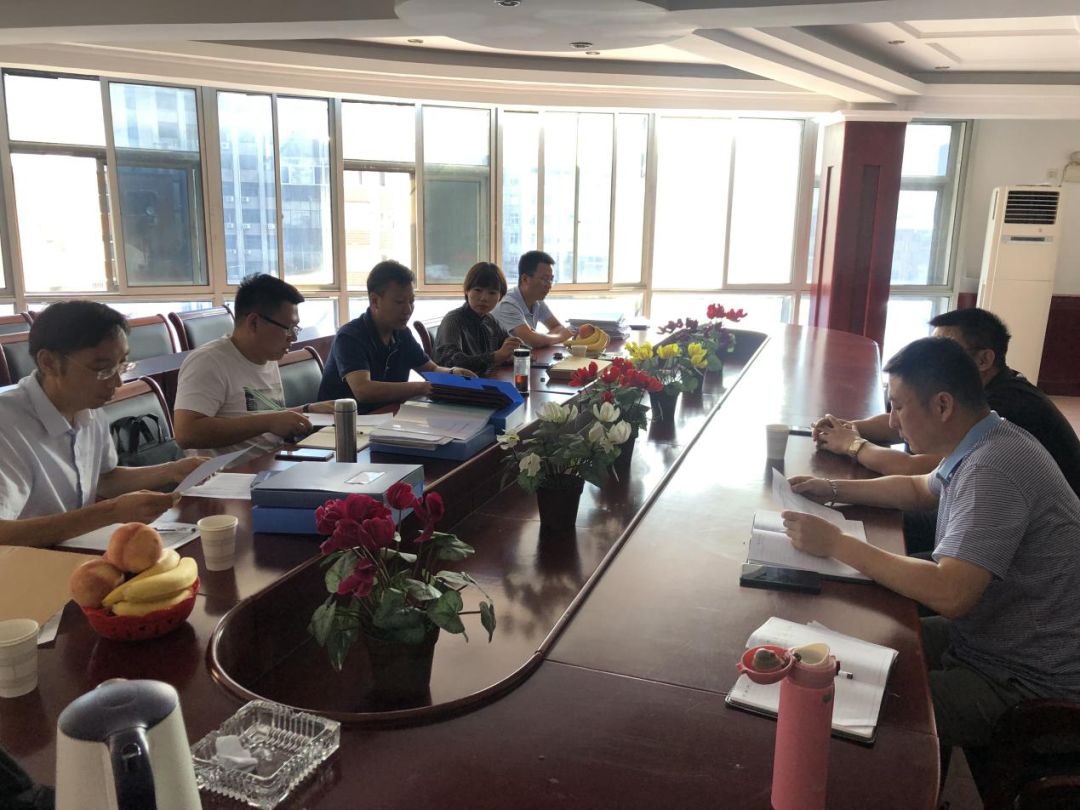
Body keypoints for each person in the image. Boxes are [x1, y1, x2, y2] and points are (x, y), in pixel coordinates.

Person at [784, 337, 1080, 759]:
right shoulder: (988, 437)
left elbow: (951, 594)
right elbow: (918, 489)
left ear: (942, 405)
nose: (892, 421)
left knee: (846, 696)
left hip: (1027, 680)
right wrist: (831, 489)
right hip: (988, 637)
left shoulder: (993, 468)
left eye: (899, 406)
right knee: (859, 643)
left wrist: (836, 543)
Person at [813, 307, 1080, 552]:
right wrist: (848, 432)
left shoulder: (1005, 417)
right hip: (984, 523)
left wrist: (853, 445)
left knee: (878, 538)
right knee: (871, 525)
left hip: (1021, 556)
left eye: (947, 349)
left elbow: (912, 468)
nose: (934, 358)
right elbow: (919, 484)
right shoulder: (979, 413)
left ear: (984, 359)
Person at [0, 301, 203, 548]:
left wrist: (172, 470)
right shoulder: (7, 424)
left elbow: (104, 478)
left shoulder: (87, 407)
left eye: (121, 365)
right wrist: (110, 512)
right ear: (49, 363)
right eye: (102, 369)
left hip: (77, 551)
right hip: (24, 564)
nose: (117, 382)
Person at [174, 274, 327, 457]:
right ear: (254, 323)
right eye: (287, 328)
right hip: (230, 472)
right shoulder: (208, 362)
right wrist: (269, 422)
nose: (293, 337)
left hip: (272, 462)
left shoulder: (267, 356)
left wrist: (306, 410)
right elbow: (186, 433)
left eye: (295, 328)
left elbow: (259, 415)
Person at [317, 260, 476, 412]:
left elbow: (431, 369)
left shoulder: (401, 333)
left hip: (387, 417)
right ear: (375, 301)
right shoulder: (350, 336)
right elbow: (363, 390)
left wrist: (453, 373)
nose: (408, 310)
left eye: (411, 301)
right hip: (344, 423)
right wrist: (422, 387)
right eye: (399, 302)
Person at [434, 261, 521, 374]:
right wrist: (496, 357)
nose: (484, 298)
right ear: (467, 290)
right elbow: (451, 363)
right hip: (459, 384)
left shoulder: (490, 320)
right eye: (478, 290)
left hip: (486, 381)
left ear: (500, 297)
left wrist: (515, 351)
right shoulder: (453, 320)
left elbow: (511, 344)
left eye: (492, 293)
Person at [491, 250, 574, 348]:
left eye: (551, 279)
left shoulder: (537, 301)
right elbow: (533, 341)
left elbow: (557, 327)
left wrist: (541, 339)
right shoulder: (507, 304)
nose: (549, 285)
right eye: (544, 279)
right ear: (525, 279)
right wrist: (560, 336)